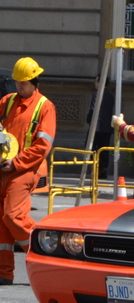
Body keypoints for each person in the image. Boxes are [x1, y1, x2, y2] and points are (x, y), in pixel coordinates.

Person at [0, 57, 56, 285]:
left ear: (34, 82)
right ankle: (4, 273)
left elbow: (43, 146)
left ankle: (46, 254)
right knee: (1, 221)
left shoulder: (45, 107)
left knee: (13, 216)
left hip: (24, 169)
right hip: (4, 168)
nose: (18, 86)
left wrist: (15, 163)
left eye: (22, 83)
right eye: (16, 82)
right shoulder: (7, 101)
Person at [86, 74, 115, 179]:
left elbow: (93, 109)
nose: (95, 83)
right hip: (107, 128)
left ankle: (94, 170)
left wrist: (88, 119)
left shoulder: (97, 94)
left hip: (96, 127)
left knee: (93, 149)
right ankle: (103, 172)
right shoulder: (110, 96)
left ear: (100, 82)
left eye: (96, 81)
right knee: (104, 150)